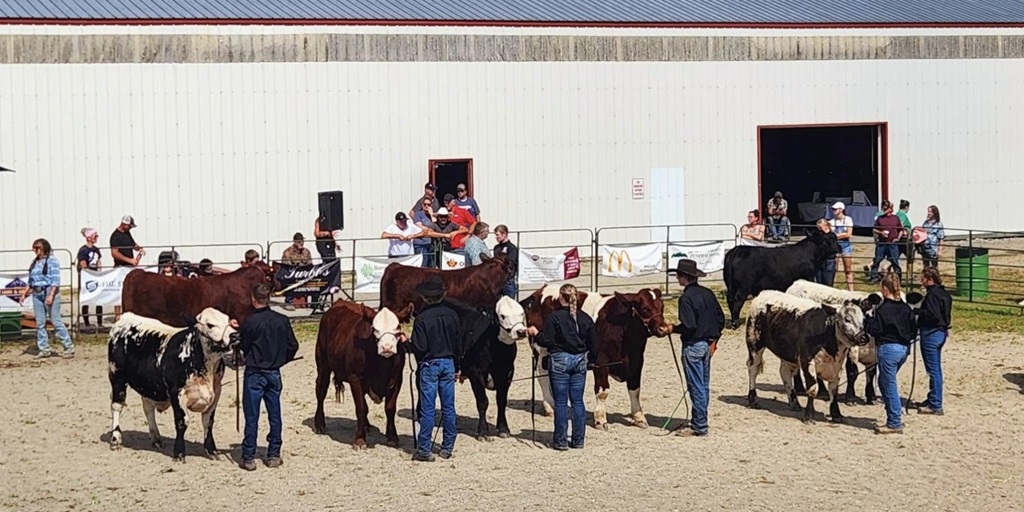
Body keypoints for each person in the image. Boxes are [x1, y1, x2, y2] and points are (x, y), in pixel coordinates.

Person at [237, 283, 300, 471]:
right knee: (275, 414)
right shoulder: (281, 320)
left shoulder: (249, 322)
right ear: (269, 297)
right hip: (274, 372)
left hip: (254, 372)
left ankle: (248, 457)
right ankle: (273, 454)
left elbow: (243, 345)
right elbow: (293, 345)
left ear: (253, 299)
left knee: (252, 416)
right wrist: (281, 359)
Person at [526, 283, 596, 450]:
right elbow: (594, 343)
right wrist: (591, 360)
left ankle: (561, 440)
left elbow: (546, 341)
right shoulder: (585, 318)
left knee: (561, 402)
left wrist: (536, 333)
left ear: (560, 298)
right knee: (578, 401)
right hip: (580, 361)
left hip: (559, 361)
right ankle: (578, 440)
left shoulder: (555, 317)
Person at [400, 276, 461, 462]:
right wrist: (458, 366)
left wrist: (405, 343)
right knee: (448, 408)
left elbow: (419, 348)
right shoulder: (453, 315)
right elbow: (458, 344)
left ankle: (424, 449)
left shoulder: (422, 319)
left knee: (428, 409)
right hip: (449, 363)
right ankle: (447, 446)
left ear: (425, 298)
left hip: (430, 365)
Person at [669, 258, 725, 437]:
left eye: (678, 275)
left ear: (684, 277)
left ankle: (700, 425)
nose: (677, 278)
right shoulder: (708, 293)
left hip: (693, 345)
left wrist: (673, 328)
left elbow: (689, 325)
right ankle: (699, 419)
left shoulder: (686, 298)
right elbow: (721, 319)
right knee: (703, 385)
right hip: (708, 345)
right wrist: (714, 340)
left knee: (696, 386)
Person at [865, 271, 917, 435]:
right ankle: (892, 412)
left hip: (888, 349)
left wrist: (868, 320)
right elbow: (913, 330)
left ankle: (894, 421)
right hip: (903, 349)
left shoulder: (882, 309)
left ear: (885, 290)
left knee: (889, 385)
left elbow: (875, 330)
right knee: (883, 381)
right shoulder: (905, 308)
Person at [20, 239, 74, 358]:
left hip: (49, 290)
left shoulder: (52, 261)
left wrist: (51, 295)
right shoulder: (35, 262)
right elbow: (31, 280)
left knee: (55, 321)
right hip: (37, 292)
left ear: (43, 248)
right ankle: (44, 348)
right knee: (40, 323)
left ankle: (68, 347)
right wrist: (24, 293)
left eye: (37, 248)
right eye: (34, 248)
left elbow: (55, 279)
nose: (35, 250)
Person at [914, 266, 952, 415]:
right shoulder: (944, 294)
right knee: (934, 368)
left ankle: (936, 404)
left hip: (931, 333)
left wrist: (919, 313)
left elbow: (932, 315)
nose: (921, 281)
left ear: (929, 280)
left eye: (923, 278)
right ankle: (932, 397)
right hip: (941, 332)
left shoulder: (932, 296)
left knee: (933, 370)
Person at [110, 215, 143, 321]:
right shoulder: (115, 236)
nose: (130, 228)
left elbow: (132, 244)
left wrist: (138, 248)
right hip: (120, 267)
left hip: (128, 267)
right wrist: (130, 260)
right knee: (118, 292)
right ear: (124, 225)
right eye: (129, 226)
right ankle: (118, 315)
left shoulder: (127, 233)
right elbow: (114, 253)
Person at [77, 227, 105, 334]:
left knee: (99, 300)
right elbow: (83, 264)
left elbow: (99, 262)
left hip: (96, 276)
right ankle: (87, 324)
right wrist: (89, 274)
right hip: (87, 278)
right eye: (95, 236)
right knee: (86, 300)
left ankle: (100, 322)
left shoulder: (96, 250)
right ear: (89, 238)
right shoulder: (83, 251)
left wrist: (99, 273)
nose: (96, 238)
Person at [869, 200, 904, 283]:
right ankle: (874, 277)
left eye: (887, 207)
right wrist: (881, 232)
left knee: (895, 261)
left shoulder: (896, 218)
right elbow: (874, 229)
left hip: (892, 243)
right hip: (882, 243)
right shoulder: (880, 219)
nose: (885, 209)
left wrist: (898, 238)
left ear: (891, 209)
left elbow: (901, 230)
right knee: (877, 260)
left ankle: (898, 278)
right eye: (884, 207)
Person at [829, 202, 856, 291]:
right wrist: (843, 234)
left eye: (835, 209)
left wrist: (837, 235)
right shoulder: (831, 221)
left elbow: (849, 234)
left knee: (848, 269)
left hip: (845, 246)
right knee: (834, 269)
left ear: (841, 210)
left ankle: (851, 290)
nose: (833, 211)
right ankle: (833, 288)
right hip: (835, 247)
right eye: (833, 209)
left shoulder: (848, 219)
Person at [313, 214, 341, 293]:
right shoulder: (318, 221)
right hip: (322, 244)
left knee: (334, 262)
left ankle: (335, 283)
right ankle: (327, 282)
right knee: (326, 262)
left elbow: (331, 234)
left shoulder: (330, 221)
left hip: (330, 245)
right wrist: (326, 233)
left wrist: (336, 244)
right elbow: (316, 233)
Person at [492, 225, 519, 299]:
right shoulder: (496, 248)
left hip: (508, 280)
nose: (496, 237)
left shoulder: (512, 248)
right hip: (497, 280)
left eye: (497, 235)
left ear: (504, 234)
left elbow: (511, 263)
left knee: (509, 303)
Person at [412, 197, 437, 267]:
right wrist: (429, 230)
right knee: (423, 264)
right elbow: (418, 225)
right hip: (421, 243)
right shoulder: (418, 214)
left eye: (428, 204)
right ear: (422, 205)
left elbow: (436, 226)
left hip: (430, 243)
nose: (426, 206)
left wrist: (431, 214)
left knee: (431, 265)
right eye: (425, 204)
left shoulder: (432, 215)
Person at [814, 219, 838, 287]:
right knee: (819, 282)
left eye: (820, 228)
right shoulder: (818, 236)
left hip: (829, 261)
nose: (819, 230)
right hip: (819, 261)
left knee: (828, 282)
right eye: (818, 228)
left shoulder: (832, 236)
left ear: (826, 226)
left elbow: (833, 248)